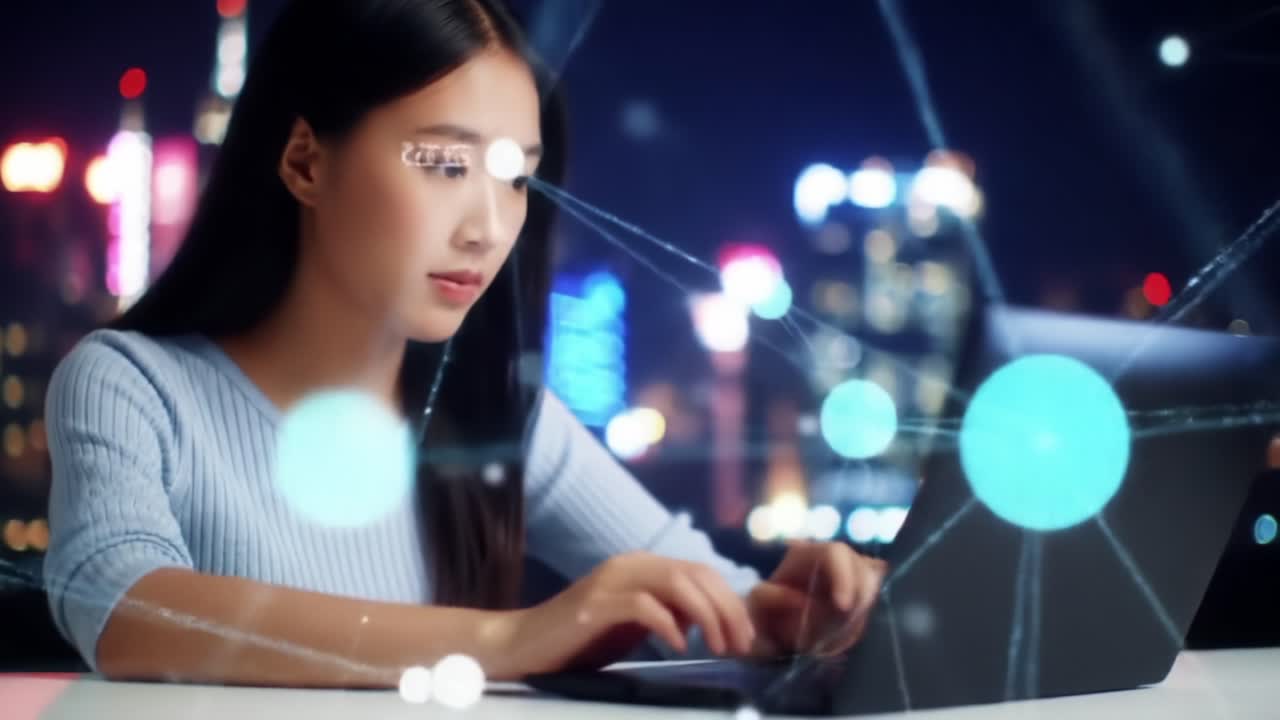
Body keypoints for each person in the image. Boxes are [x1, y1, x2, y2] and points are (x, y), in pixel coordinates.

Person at [42, 0, 885, 688]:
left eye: (516, 179)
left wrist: (786, 617)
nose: (487, 229)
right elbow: (127, 611)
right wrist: (517, 639)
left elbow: (700, 595)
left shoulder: (498, 418)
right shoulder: (132, 386)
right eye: (444, 164)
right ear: (305, 161)